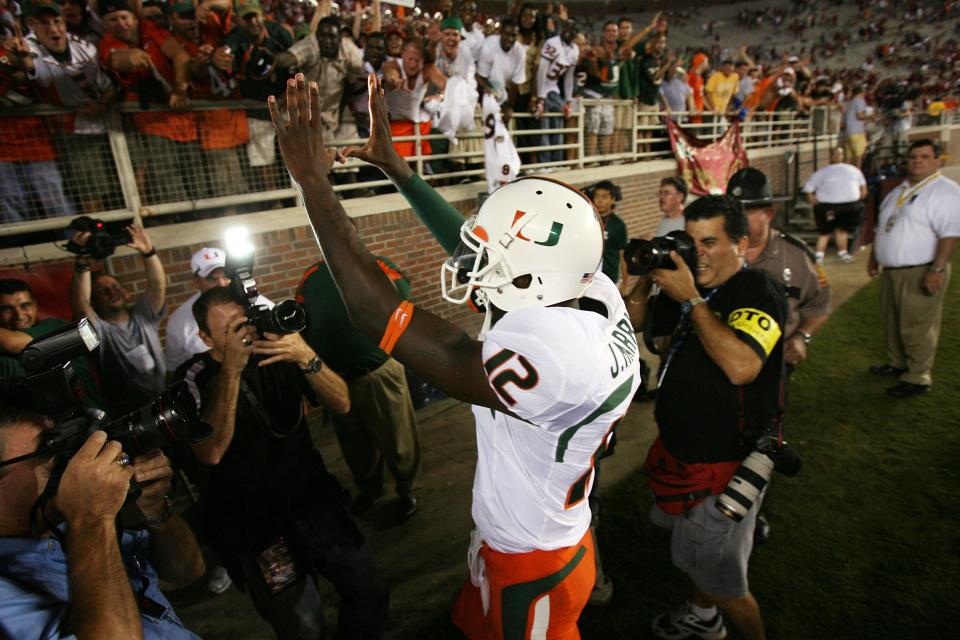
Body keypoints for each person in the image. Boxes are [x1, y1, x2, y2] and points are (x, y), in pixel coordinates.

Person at [272, 73, 641, 640]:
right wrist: (398, 169)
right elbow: (473, 252)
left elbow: (379, 315)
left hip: (535, 559)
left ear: (530, 277)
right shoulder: (590, 292)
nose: (473, 260)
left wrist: (314, 184)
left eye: (493, 257)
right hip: (524, 528)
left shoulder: (554, 356)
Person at [177, 285, 388, 639]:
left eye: (244, 322)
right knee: (301, 624)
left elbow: (343, 403)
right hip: (257, 526)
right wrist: (231, 371)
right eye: (229, 330)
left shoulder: (276, 350)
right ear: (206, 337)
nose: (244, 333)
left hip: (315, 502)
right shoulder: (192, 378)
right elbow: (209, 451)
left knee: (369, 590)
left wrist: (306, 356)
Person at [625, 195, 786, 640]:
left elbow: (741, 366)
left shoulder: (757, 289)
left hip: (725, 462)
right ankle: (703, 615)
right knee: (696, 553)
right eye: (690, 241)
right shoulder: (686, 286)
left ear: (741, 243)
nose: (697, 253)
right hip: (682, 453)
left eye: (710, 242)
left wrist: (693, 300)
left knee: (727, 583)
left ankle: (729, 620)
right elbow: (638, 323)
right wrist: (645, 277)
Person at [0, 402, 205, 639]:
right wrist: (92, 520)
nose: (71, 461)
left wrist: (155, 508)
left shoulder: (66, 532)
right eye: (47, 451)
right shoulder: (6, 595)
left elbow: (185, 572)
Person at [296, 257, 422, 522]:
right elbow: (302, 320)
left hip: (376, 373)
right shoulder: (310, 277)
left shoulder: (377, 265)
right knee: (354, 444)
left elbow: (403, 299)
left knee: (398, 439)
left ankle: (407, 490)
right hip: (337, 380)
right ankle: (370, 488)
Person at [868, 139, 960, 398]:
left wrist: (938, 269)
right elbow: (884, 227)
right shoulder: (900, 189)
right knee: (892, 321)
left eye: (924, 156)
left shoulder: (945, 190)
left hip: (921, 268)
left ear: (936, 160)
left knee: (917, 324)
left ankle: (918, 376)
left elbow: (950, 234)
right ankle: (897, 363)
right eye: (913, 157)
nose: (917, 161)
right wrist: (875, 257)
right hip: (893, 269)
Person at [729, 167, 830, 368]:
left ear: (768, 214)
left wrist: (802, 337)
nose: (736, 219)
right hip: (722, 360)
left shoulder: (797, 254)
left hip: (775, 366)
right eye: (732, 211)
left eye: (746, 211)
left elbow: (819, 305)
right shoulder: (715, 252)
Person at [24, 0, 118, 215]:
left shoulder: (84, 45)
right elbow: (29, 66)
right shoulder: (28, 47)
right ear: (32, 24)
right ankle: (98, 233)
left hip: (107, 126)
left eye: (57, 21)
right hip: (74, 131)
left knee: (117, 185)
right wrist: (18, 61)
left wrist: (104, 103)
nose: (53, 29)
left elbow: (110, 86)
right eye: (44, 23)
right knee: (90, 191)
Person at [68, 225, 167, 415]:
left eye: (114, 286)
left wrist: (149, 252)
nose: (112, 292)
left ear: (126, 291)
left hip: (163, 400)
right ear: (95, 302)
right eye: (103, 291)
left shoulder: (143, 318)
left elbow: (157, 288)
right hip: (129, 413)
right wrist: (82, 261)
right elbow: (81, 306)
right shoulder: (99, 331)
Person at [165, 246, 272, 371]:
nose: (222, 284)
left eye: (226, 277)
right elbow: (174, 368)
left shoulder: (255, 301)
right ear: (196, 281)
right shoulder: (178, 320)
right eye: (212, 279)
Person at [0, 279, 104, 407]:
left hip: (95, 416)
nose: (19, 316)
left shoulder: (54, 327)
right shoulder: (4, 358)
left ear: (34, 305)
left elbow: (12, 342)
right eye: (7, 309)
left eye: (25, 306)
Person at [803, 146, 867, 264]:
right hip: (827, 207)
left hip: (848, 206)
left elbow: (863, 188)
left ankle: (843, 253)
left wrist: (858, 198)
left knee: (842, 231)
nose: (838, 156)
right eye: (835, 153)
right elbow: (808, 188)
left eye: (840, 153)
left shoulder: (853, 170)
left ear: (843, 156)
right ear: (831, 156)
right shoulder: (822, 172)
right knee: (824, 233)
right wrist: (812, 198)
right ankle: (819, 255)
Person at [535, 19, 579, 166]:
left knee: (558, 122)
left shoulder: (574, 50)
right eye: (566, 27)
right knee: (545, 126)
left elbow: (568, 77)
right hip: (543, 88)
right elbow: (541, 70)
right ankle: (546, 161)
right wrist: (540, 97)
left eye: (572, 29)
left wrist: (568, 100)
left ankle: (556, 160)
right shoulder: (552, 42)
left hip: (553, 88)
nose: (568, 31)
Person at [582, 20, 620, 160]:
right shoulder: (596, 50)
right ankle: (590, 160)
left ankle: (605, 160)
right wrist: (595, 61)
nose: (611, 33)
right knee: (593, 128)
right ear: (603, 33)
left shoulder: (618, 50)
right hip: (594, 94)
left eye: (614, 31)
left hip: (608, 96)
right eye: (608, 30)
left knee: (607, 129)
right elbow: (596, 74)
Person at [475, 18, 525, 122]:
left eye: (514, 35)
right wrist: (488, 98)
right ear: (500, 32)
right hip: (482, 91)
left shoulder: (520, 51)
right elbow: (480, 76)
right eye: (507, 34)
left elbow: (515, 84)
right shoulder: (489, 45)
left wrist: (509, 106)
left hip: (502, 94)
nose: (510, 39)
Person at [591, 180, 628, 289]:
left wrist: (625, 285)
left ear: (612, 200)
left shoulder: (618, 225)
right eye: (597, 196)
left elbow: (623, 256)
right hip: (588, 279)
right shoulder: (588, 219)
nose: (599, 201)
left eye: (604, 197)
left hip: (609, 280)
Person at [841, 85, 872, 167]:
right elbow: (860, 116)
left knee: (848, 159)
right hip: (857, 132)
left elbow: (843, 123)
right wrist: (872, 117)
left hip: (847, 133)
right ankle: (857, 177)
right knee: (858, 157)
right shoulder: (859, 101)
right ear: (861, 93)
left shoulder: (847, 103)